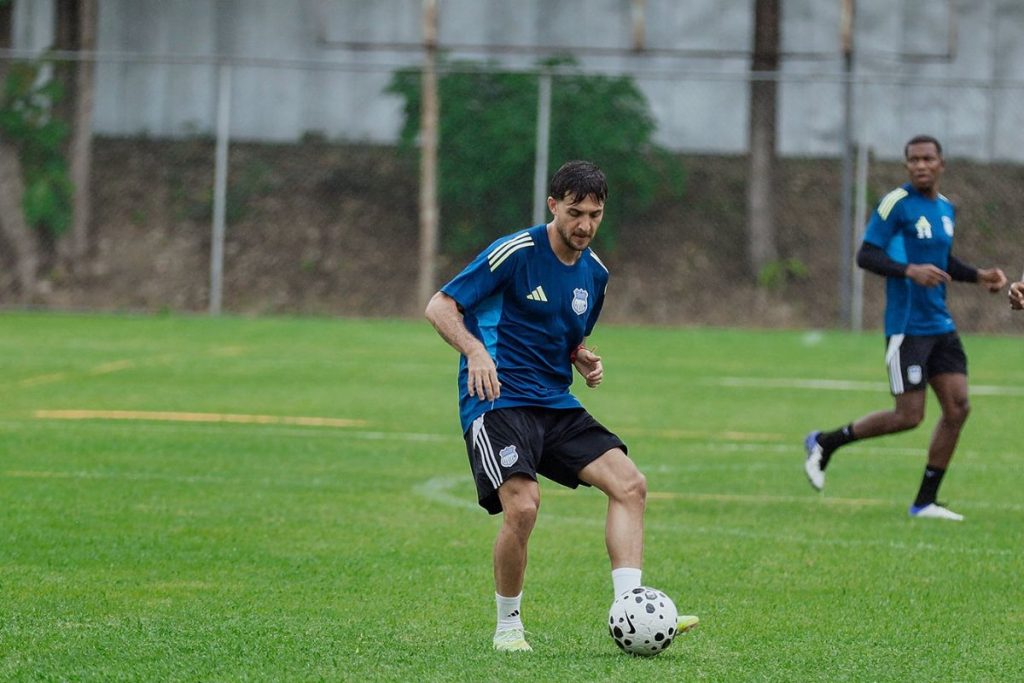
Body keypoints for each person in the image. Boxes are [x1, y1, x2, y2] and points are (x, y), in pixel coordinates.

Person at [424, 160, 698, 652]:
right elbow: (440, 306)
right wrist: (475, 350)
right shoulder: (516, 252)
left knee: (630, 485)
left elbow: (566, 336)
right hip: (498, 402)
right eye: (575, 213)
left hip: (554, 403)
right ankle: (508, 627)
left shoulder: (595, 275)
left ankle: (630, 609)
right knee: (524, 506)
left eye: (595, 214)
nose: (585, 225)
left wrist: (581, 357)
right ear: (553, 206)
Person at [803, 135, 1007, 521]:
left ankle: (925, 501)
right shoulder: (896, 204)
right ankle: (825, 442)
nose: (920, 165)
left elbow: (942, 259)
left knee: (959, 407)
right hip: (906, 325)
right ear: (906, 165)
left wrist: (979, 276)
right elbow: (867, 254)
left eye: (928, 159)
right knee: (909, 416)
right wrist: (909, 271)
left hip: (940, 323)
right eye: (913, 160)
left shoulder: (946, 209)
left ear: (941, 163)